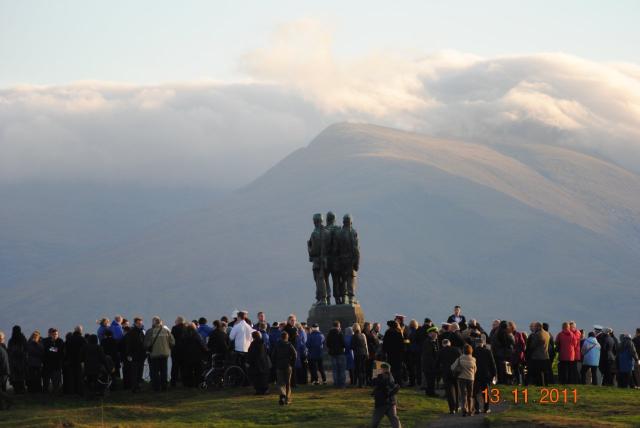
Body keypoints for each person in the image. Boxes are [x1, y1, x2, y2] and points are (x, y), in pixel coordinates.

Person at [144, 317, 175, 392]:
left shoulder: (150, 331)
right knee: (164, 371)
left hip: (154, 355)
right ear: (161, 322)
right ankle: (164, 387)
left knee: (155, 372)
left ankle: (156, 387)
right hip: (165, 354)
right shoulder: (166, 331)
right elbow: (172, 342)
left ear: (154, 323)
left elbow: (146, 344)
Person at [335, 213, 360, 305]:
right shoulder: (353, 232)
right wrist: (357, 263)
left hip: (341, 260)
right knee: (351, 280)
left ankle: (343, 298)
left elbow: (336, 249)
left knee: (343, 280)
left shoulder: (339, 233)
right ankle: (350, 299)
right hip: (350, 260)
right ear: (351, 222)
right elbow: (356, 249)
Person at [371, 362, 402, 428]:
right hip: (386, 403)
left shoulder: (387, 377)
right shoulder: (386, 377)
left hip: (386, 403)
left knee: (376, 422)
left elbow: (379, 384)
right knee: (393, 419)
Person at [473, 337, 496, 414]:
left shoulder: (473, 352)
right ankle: (486, 408)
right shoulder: (488, 351)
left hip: (476, 375)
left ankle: (477, 408)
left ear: (476, 344)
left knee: (475, 393)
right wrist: (494, 374)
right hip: (486, 375)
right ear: (483, 343)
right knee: (485, 392)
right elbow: (492, 364)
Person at [438, 338, 462, 414]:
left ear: (443, 344)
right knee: (457, 389)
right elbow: (461, 360)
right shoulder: (457, 349)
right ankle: (457, 406)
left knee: (449, 391)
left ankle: (452, 409)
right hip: (456, 372)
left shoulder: (440, 351)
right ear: (450, 343)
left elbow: (437, 363)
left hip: (446, 373)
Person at [273, 331, 296, 405]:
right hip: (287, 365)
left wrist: (275, 363)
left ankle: (282, 395)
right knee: (288, 383)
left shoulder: (277, 345)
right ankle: (287, 399)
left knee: (280, 383)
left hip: (279, 365)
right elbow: (295, 354)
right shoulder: (289, 345)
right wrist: (292, 363)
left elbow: (273, 355)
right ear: (287, 337)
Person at [182, 323, 207, 388]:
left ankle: (189, 384)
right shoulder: (197, 335)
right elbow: (202, 345)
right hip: (197, 356)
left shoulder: (184, 335)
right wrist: (206, 351)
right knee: (198, 371)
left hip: (187, 356)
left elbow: (182, 346)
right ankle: (197, 384)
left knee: (188, 371)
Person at [124, 318, 146, 393]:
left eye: (141, 323)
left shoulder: (140, 332)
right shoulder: (132, 332)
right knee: (135, 372)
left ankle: (138, 386)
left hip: (140, 355)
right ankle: (135, 387)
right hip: (135, 355)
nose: (140, 325)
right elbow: (129, 344)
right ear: (135, 323)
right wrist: (129, 354)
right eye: (139, 323)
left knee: (139, 371)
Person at [64, 325, 86, 395]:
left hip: (70, 361)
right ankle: (79, 392)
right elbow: (85, 351)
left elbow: (65, 350)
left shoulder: (69, 339)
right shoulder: (82, 339)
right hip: (79, 361)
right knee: (79, 377)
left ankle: (71, 392)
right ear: (81, 331)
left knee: (71, 377)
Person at [41, 328, 64, 393]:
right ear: (50, 334)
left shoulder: (60, 341)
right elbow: (47, 350)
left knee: (56, 382)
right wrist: (55, 350)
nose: (55, 336)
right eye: (53, 334)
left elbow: (59, 350)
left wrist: (51, 349)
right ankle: (45, 393)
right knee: (46, 382)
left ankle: (56, 393)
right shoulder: (46, 341)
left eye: (56, 334)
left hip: (56, 365)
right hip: (47, 365)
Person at [247, 330, 271, 395]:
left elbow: (250, 354)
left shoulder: (253, 344)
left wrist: (249, 361)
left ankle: (258, 390)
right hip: (263, 363)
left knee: (257, 378)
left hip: (256, 364)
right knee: (264, 377)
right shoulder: (262, 343)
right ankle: (265, 390)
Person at [527, 322, 550, 386]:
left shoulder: (537, 334)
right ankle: (546, 384)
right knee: (545, 372)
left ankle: (539, 384)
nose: (534, 328)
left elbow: (533, 345)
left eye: (535, 327)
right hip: (545, 355)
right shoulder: (547, 333)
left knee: (538, 372)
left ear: (538, 327)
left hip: (537, 356)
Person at [383, 321, 405, 386]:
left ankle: (391, 381)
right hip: (398, 354)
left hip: (390, 353)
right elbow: (402, 344)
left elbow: (385, 344)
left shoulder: (388, 333)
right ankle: (399, 382)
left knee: (391, 368)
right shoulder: (399, 333)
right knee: (398, 368)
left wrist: (385, 351)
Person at [7, 325, 27, 394]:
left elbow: (9, 351)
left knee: (17, 377)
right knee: (19, 377)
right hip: (19, 361)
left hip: (17, 361)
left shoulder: (12, 340)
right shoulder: (22, 339)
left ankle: (18, 390)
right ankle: (20, 390)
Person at [326, 321, 346, 387]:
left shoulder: (329, 333)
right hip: (340, 353)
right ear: (338, 326)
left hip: (332, 353)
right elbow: (343, 343)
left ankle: (336, 383)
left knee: (335, 370)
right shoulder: (340, 333)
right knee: (341, 369)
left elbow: (327, 344)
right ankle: (342, 384)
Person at [421, 327, 439, 396]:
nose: (436, 335)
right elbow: (429, 355)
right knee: (430, 379)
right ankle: (431, 392)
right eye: (435, 333)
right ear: (430, 334)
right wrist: (434, 364)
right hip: (429, 365)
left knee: (431, 379)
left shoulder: (433, 341)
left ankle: (430, 392)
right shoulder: (428, 342)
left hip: (431, 364)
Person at [170, 317, 187, 388]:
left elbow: (171, 338)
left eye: (176, 321)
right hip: (184, 351)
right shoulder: (186, 328)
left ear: (179, 321)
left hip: (175, 351)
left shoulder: (174, 328)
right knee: (184, 367)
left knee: (175, 367)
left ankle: (173, 382)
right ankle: (184, 382)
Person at [351, 323, 369, 387]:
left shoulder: (354, 336)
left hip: (357, 354)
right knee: (363, 368)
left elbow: (352, 346)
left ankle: (359, 383)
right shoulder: (363, 335)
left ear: (353, 328)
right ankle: (364, 382)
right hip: (364, 353)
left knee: (358, 369)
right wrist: (367, 353)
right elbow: (366, 345)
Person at [0, 331, 13, 410]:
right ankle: (2, 406)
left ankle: (9, 400)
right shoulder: (3, 347)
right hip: (4, 371)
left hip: (2, 372)